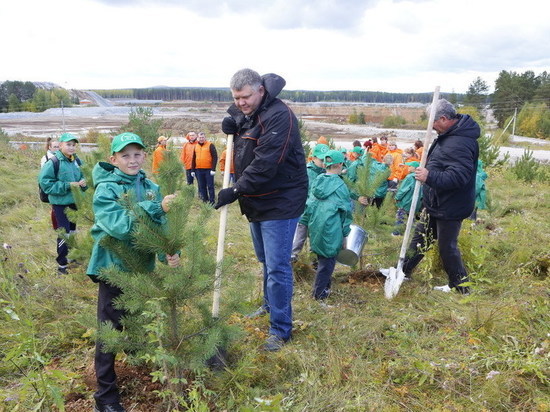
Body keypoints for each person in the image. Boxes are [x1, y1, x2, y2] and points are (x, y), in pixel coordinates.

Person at [214, 68, 308, 351]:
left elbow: (267, 163)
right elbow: (240, 119)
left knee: (278, 266)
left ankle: (280, 330)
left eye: (245, 97)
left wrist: (235, 189)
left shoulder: (280, 116)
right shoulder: (251, 111)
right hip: (257, 198)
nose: (241, 102)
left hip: (281, 199)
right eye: (236, 98)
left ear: (261, 90)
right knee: (266, 260)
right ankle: (269, 306)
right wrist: (232, 122)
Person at [86, 132, 180, 412]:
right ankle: (105, 397)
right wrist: (155, 206)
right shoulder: (107, 189)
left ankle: (138, 365)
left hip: (143, 267)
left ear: (144, 155)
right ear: (113, 159)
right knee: (109, 332)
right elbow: (120, 226)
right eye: (125, 155)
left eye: (137, 154)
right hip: (112, 268)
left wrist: (170, 251)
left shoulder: (151, 186)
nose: (132, 160)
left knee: (138, 320)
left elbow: (161, 224)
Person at [401, 99, 480, 294]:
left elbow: (459, 176)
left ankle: (461, 287)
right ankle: (403, 272)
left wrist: (429, 175)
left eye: (433, 122)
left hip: (450, 206)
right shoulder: (448, 135)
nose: (432, 127)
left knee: (447, 247)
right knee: (420, 239)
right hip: (435, 202)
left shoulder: (460, 142)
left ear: (443, 119)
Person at [301, 150, 352, 300]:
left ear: (325, 164)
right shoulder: (340, 186)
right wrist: (345, 233)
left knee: (321, 258)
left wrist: (306, 224)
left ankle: (325, 289)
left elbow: (309, 206)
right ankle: (319, 295)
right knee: (328, 262)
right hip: (332, 228)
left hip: (316, 225)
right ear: (341, 164)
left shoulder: (317, 181)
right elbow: (346, 213)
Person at [38, 132, 86, 274]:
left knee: (72, 231)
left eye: (73, 145)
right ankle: (62, 265)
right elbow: (46, 184)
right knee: (64, 232)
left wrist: (84, 183)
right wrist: (67, 185)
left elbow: (84, 175)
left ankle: (71, 257)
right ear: (60, 146)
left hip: (74, 202)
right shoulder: (53, 162)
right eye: (68, 144)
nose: (71, 148)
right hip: (60, 204)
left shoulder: (77, 161)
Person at [290, 143, 329, 262]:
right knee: (299, 238)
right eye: (321, 159)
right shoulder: (307, 172)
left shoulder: (326, 172)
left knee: (316, 239)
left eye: (326, 160)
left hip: (319, 214)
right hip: (305, 212)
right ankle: (292, 259)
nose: (323, 162)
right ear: (314, 158)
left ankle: (314, 261)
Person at [392, 161, 422, 236]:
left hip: (406, 202)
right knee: (411, 219)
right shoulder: (421, 178)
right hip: (415, 203)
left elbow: (403, 190)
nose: (408, 167)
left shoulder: (409, 177)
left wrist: (397, 197)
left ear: (415, 168)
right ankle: (413, 234)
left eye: (410, 166)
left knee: (400, 217)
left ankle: (396, 233)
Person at [191, 131, 217, 204]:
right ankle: (205, 201)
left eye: (202, 137)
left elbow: (215, 157)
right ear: (198, 138)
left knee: (210, 186)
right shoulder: (196, 146)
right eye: (200, 137)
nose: (201, 139)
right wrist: (192, 170)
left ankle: (212, 202)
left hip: (208, 170)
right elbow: (193, 158)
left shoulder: (210, 145)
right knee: (202, 186)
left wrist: (213, 169)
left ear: (205, 138)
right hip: (199, 170)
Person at [40, 137, 60, 230]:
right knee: (54, 206)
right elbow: (44, 175)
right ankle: (56, 226)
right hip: (52, 185)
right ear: (49, 147)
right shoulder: (46, 158)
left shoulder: (62, 157)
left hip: (60, 185)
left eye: (59, 146)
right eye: (55, 147)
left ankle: (61, 225)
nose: (57, 148)